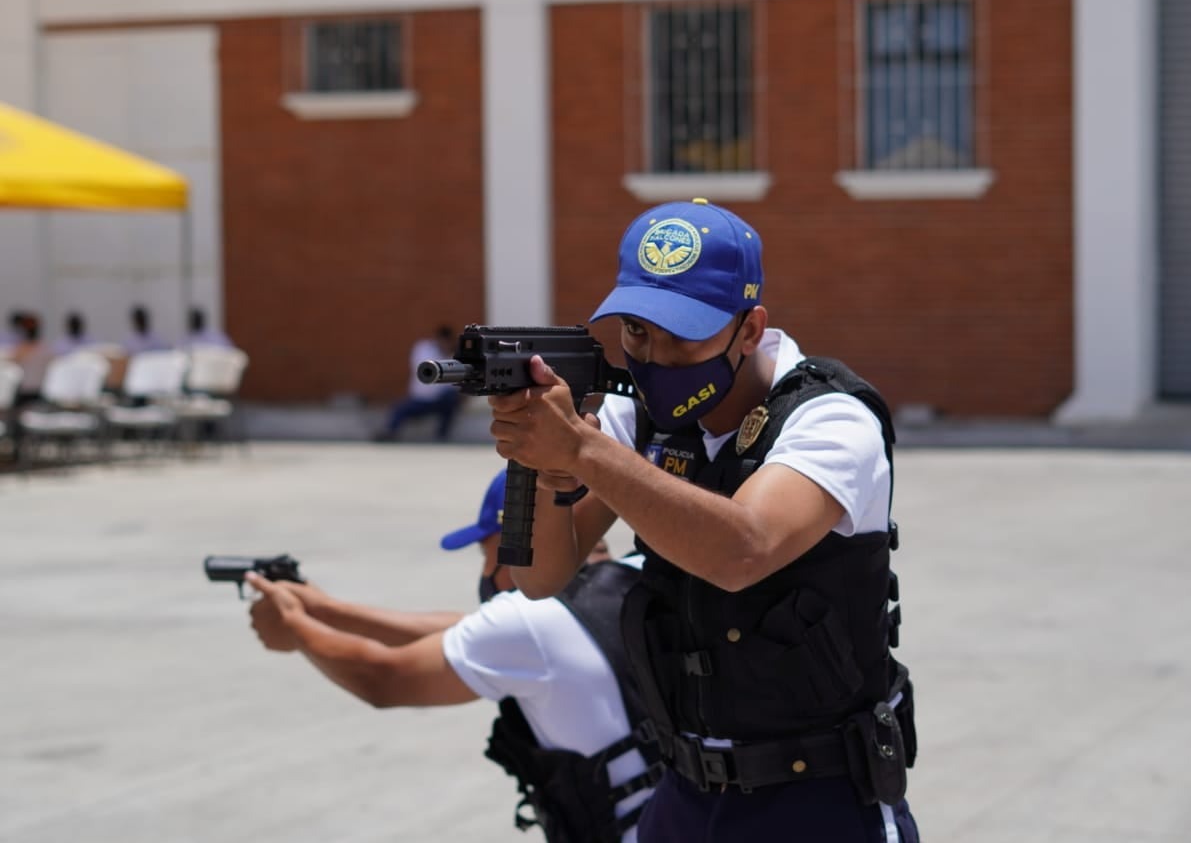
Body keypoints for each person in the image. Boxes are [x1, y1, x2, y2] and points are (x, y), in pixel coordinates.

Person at [486, 198, 919, 842]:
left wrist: (581, 449)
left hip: (817, 798)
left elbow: (742, 552)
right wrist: (538, 454)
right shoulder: (638, 423)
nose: (654, 356)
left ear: (749, 328)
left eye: (682, 336)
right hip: (684, 793)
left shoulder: (829, 418)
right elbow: (542, 573)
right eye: (636, 332)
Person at [245, 468, 660, 842]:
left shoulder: (529, 621)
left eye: (487, 556)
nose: (484, 575)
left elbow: (383, 679)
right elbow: (466, 630)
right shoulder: (643, 577)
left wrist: (293, 628)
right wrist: (327, 610)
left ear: (517, 537)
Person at [373, 325, 462, 442]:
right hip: (420, 399)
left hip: (440, 401)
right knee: (400, 409)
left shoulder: (454, 355)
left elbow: (456, 383)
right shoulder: (424, 348)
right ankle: (390, 432)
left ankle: (441, 435)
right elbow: (423, 369)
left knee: (451, 399)